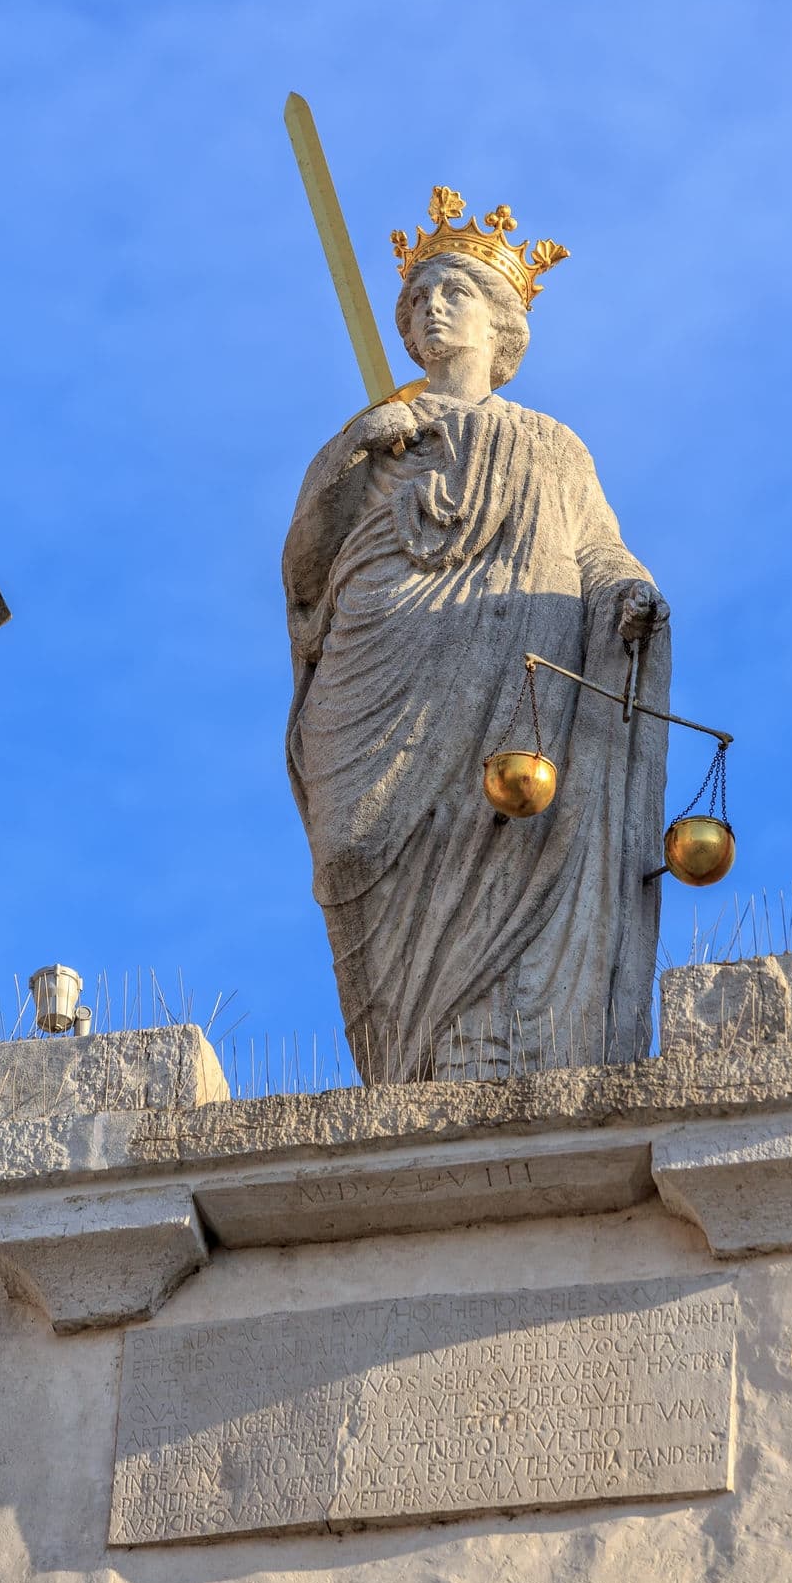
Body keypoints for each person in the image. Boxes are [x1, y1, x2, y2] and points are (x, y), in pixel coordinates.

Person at [283, 189, 670, 1082]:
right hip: (374, 658)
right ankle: (397, 1057)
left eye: (451, 292)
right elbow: (305, 570)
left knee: (500, 840)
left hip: (506, 666)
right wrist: (359, 447)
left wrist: (630, 597)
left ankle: (486, 1048)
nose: (429, 309)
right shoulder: (372, 438)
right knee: (352, 850)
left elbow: (594, 549)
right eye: (416, 300)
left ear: (499, 324)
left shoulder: (548, 444)